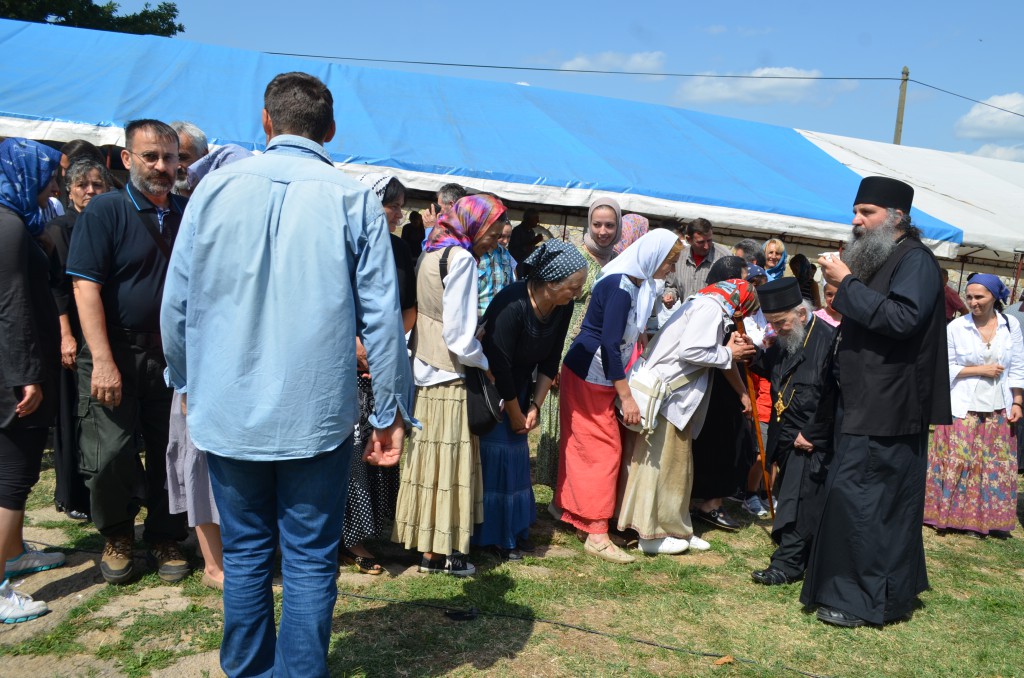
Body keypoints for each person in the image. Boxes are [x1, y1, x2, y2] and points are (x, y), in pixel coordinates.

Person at [161, 72, 414, 676]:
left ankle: (248, 670)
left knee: (247, 552)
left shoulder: (212, 189)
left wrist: (186, 381)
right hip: (315, 410)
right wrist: (390, 412)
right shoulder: (354, 199)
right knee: (308, 557)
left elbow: (176, 305)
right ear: (330, 131)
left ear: (266, 121)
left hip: (230, 406)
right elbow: (383, 319)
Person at [802, 176, 951, 628]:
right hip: (866, 399)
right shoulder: (887, 256)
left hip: (890, 405)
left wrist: (846, 284)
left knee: (866, 501)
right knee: (858, 497)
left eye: (867, 212)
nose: (857, 220)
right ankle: (865, 592)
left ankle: (861, 601)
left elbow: (903, 319)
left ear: (897, 217)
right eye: (855, 211)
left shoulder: (916, 260)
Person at [66, 119, 191, 585]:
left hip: (170, 355)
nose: (161, 166)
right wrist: (101, 361)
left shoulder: (187, 213)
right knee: (111, 452)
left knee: (170, 449)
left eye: (169, 157)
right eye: (150, 156)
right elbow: (85, 288)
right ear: (126, 159)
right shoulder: (106, 210)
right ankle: (117, 534)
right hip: (113, 350)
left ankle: (164, 536)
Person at [393, 194, 507, 577]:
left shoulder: (431, 253)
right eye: (492, 231)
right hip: (451, 376)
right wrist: (485, 363)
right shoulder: (462, 260)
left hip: (425, 371)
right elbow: (458, 337)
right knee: (452, 466)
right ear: (476, 226)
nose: (496, 239)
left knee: (429, 464)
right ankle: (448, 553)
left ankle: (429, 552)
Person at [555, 230, 683, 564]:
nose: (671, 269)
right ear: (654, 257)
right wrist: (626, 397)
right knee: (604, 450)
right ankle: (597, 533)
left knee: (587, 446)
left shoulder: (636, 284)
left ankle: (578, 515)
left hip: (597, 373)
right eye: (670, 261)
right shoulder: (620, 287)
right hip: (590, 374)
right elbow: (610, 344)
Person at [164, 145, 255, 592]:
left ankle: (241, 556)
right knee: (200, 462)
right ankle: (214, 564)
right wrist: (184, 381)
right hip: (203, 375)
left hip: (241, 373)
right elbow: (175, 313)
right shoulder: (200, 234)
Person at [617, 280, 758, 555]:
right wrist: (730, 352)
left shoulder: (705, 304)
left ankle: (676, 527)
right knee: (661, 466)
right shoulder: (710, 308)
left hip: (674, 399)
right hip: (670, 398)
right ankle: (651, 533)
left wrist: (727, 346)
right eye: (747, 310)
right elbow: (691, 351)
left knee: (677, 467)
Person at [472, 241, 587, 559]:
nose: (577, 294)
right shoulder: (512, 303)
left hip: (522, 390)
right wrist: (514, 414)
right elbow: (499, 366)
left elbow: (551, 359)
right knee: (497, 459)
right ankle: (492, 535)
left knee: (516, 460)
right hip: (493, 391)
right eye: (573, 287)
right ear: (551, 282)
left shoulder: (561, 307)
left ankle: (513, 529)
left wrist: (534, 406)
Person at [0, 137, 65, 623]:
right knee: (13, 474)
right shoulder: (8, 227)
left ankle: (14, 553)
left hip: (16, 364)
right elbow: (13, 305)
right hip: (15, 372)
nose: (54, 187)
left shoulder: (18, 222)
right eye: (49, 177)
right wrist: (26, 375)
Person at [340, 173, 418, 575]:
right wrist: (356, 346)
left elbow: (410, 307)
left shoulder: (400, 249)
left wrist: (385, 349)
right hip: (344, 359)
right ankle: (348, 537)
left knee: (379, 443)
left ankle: (370, 529)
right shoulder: (346, 243)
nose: (399, 213)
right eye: (393, 205)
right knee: (352, 449)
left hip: (385, 360)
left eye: (401, 205)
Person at [749, 279, 835, 585]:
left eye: (781, 322)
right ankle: (799, 553)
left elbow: (836, 396)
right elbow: (770, 367)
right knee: (790, 496)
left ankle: (787, 565)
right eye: (772, 323)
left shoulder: (829, 341)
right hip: (785, 432)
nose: (777, 329)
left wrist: (814, 433)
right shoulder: (787, 337)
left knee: (799, 501)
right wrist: (749, 353)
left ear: (801, 313)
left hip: (809, 438)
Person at [924, 274, 1023, 536]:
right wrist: (980, 370)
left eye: (979, 296)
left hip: (999, 406)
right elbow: (944, 366)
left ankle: (985, 521)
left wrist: (1018, 401)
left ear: (994, 297)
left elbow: (1018, 365)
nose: (973, 302)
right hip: (963, 405)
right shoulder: (957, 327)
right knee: (960, 459)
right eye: (969, 297)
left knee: (991, 464)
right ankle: (952, 517)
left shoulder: (1010, 325)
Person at [536, 196, 622, 489]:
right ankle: (557, 487)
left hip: (598, 350)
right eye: (597, 224)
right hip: (566, 345)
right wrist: (551, 356)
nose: (603, 231)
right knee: (561, 416)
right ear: (588, 224)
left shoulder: (619, 261)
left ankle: (577, 485)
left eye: (609, 225)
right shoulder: (575, 258)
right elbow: (553, 306)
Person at [45, 158, 113, 522]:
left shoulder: (108, 220)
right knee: (72, 410)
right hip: (71, 328)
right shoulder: (60, 229)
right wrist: (65, 335)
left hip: (103, 329)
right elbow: (57, 288)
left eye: (97, 185)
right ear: (69, 190)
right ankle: (73, 494)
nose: (90, 191)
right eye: (82, 185)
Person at [689, 256, 762, 530]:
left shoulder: (719, 307)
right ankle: (711, 504)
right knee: (724, 443)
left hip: (713, 386)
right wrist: (743, 393)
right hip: (721, 389)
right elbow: (727, 359)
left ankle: (702, 500)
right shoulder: (717, 310)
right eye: (743, 280)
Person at [662, 217, 732, 309]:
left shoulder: (725, 258)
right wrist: (670, 296)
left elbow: (733, 291)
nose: (706, 246)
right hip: (686, 314)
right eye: (701, 242)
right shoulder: (679, 257)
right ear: (688, 239)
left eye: (709, 240)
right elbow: (671, 286)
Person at [476, 213, 516, 317]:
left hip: (500, 315)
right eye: (501, 236)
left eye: (509, 237)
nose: (505, 241)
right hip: (478, 316)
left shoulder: (505, 254)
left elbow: (511, 284)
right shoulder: (476, 253)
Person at [170, 121, 209, 196]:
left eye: (182, 158)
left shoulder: (222, 193)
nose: (177, 166)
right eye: (169, 158)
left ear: (204, 156)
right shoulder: (159, 197)